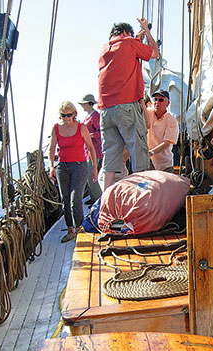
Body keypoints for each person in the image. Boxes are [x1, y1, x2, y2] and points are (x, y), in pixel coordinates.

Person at [98, 19, 159, 190]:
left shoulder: (105, 49)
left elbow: (123, 59)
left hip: (105, 111)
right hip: (126, 106)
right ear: (126, 33)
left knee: (110, 158)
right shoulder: (129, 43)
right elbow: (154, 52)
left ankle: (105, 199)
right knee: (138, 152)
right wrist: (146, 31)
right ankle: (142, 196)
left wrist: (135, 41)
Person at [48, 101, 98, 243]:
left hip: (79, 166)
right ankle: (71, 229)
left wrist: (94, 168)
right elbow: (52, 149)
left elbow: (90, 148)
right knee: (65, 199)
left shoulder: (81, 127)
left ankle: (80, 227)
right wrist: (52, 166)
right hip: (62, 167)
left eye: (69, 115)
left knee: (75, 199)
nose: (67, 118)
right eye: (64, 115)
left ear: (74, 114)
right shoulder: (56, 128)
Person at [141, 90, 179, 173]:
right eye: (155, 99)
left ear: (167, 103)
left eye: (161, 100)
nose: (157, 102)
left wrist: (151, 152)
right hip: (147, 163)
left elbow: (167, 143)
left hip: (164, 165)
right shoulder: (148, 114)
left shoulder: (171, 121)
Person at [79, 94, 102, 205]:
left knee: (92, 174)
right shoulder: (88, 116)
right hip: (87, 150)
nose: (82, 106)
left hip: (94, 150)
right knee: (89, 175)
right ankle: (94, 197)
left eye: (83, 104)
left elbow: (101, 132)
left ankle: (98, 199)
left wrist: (90, 135)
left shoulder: (95, 116)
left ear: (89, 104)